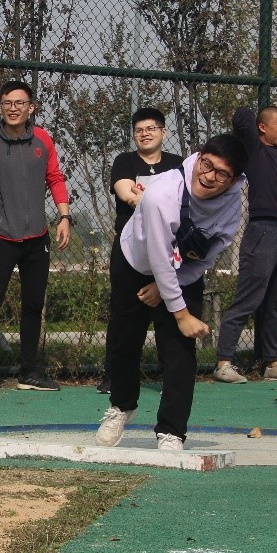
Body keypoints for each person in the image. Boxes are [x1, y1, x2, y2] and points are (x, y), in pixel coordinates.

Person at [96, 134, 248, 451]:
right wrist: (181, 314)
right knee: (124, 343)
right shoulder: (161, 194)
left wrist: (168, 291)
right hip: (135, 261)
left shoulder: (232, 202)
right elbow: (157, 256)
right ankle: (122, 405)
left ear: (234, 180)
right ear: (199, 155)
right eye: (207, 165)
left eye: (222, 174)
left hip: (183, 268)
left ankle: (172, 430)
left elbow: (207, 254)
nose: (209, 177)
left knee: (179, 351)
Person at [0, 80, 71, 394]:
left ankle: (29, 373)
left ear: (30, 108)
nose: (13, 108)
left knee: (33, 306)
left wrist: (64, 217)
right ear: (0, 106)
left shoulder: (43, 140)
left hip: (38, 239)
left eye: (20, 103)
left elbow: (55, 178)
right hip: (2, 238)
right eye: (7, 102)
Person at [212, 105, 277, 383]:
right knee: (248, 298)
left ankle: (273, 363)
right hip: (263, 231)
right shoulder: (255, 151)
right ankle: (223, 363)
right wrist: (257, 124)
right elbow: (241, 115)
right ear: (262, 128)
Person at [96, 107, 184, 395]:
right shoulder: (124, 161)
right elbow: (126, 193)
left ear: (163, 132)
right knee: (123, 315)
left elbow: (184, 202)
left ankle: (172, 376)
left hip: (168, 248)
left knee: (168, 314)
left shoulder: (177, 164)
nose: (145, 134)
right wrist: (158, 202)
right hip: (130, 249)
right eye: (139, 130)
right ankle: (114, 377)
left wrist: (145, 198)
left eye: (151, 128)